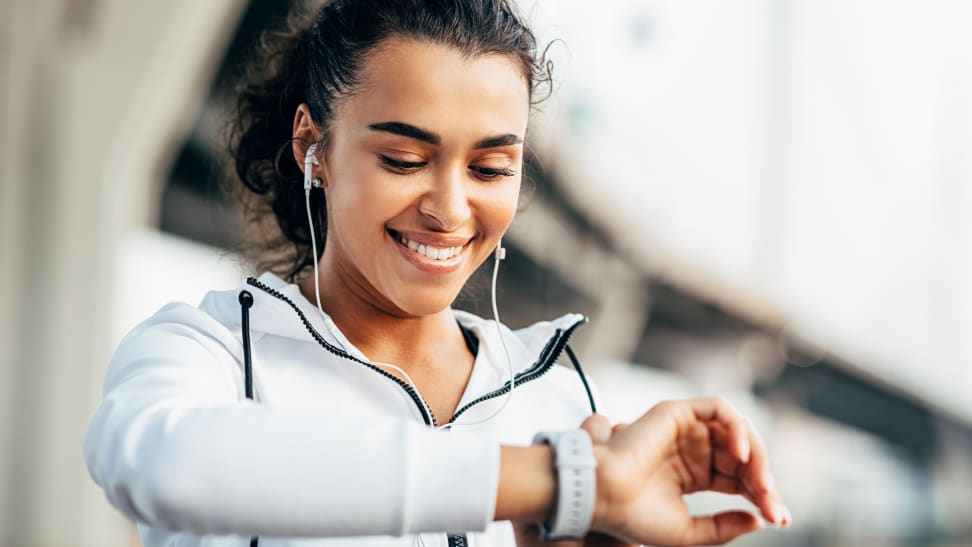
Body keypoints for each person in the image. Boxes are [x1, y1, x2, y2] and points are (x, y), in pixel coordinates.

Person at [83, 1, 791, 546]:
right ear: (313, 144)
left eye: (490, 168)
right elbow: (168, 465)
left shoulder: (555, 389)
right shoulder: (207, 349)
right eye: (403, 159)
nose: (451, 209)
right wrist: (564, 480)